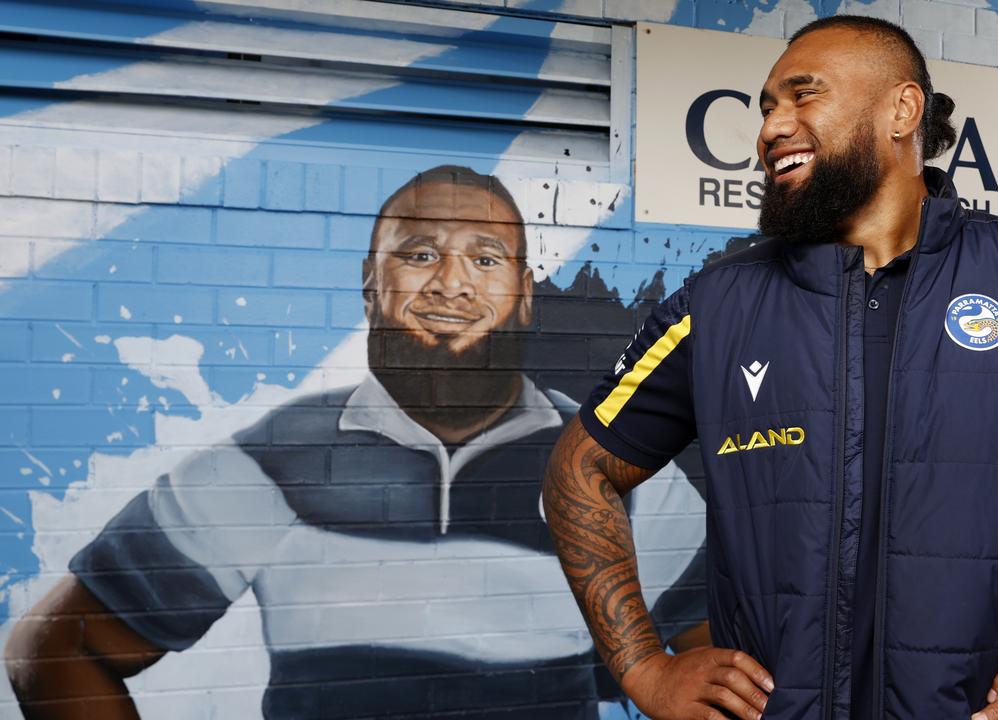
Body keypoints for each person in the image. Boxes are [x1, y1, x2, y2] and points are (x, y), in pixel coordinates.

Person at [543, 15, 998, 720]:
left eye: (803, 95)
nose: (772, 127)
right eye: (767, 108)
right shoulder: (715, 309)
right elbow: (579, 470)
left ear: (901, 110)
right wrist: (645, 668)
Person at [6, 166, 706, 720]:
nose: (452, 282)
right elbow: (54, 650)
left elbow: (724, 658)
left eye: (486, 259)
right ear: (370, 285)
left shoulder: (603, 465)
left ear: (524, 293)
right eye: (420, 252)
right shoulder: (271, 463)